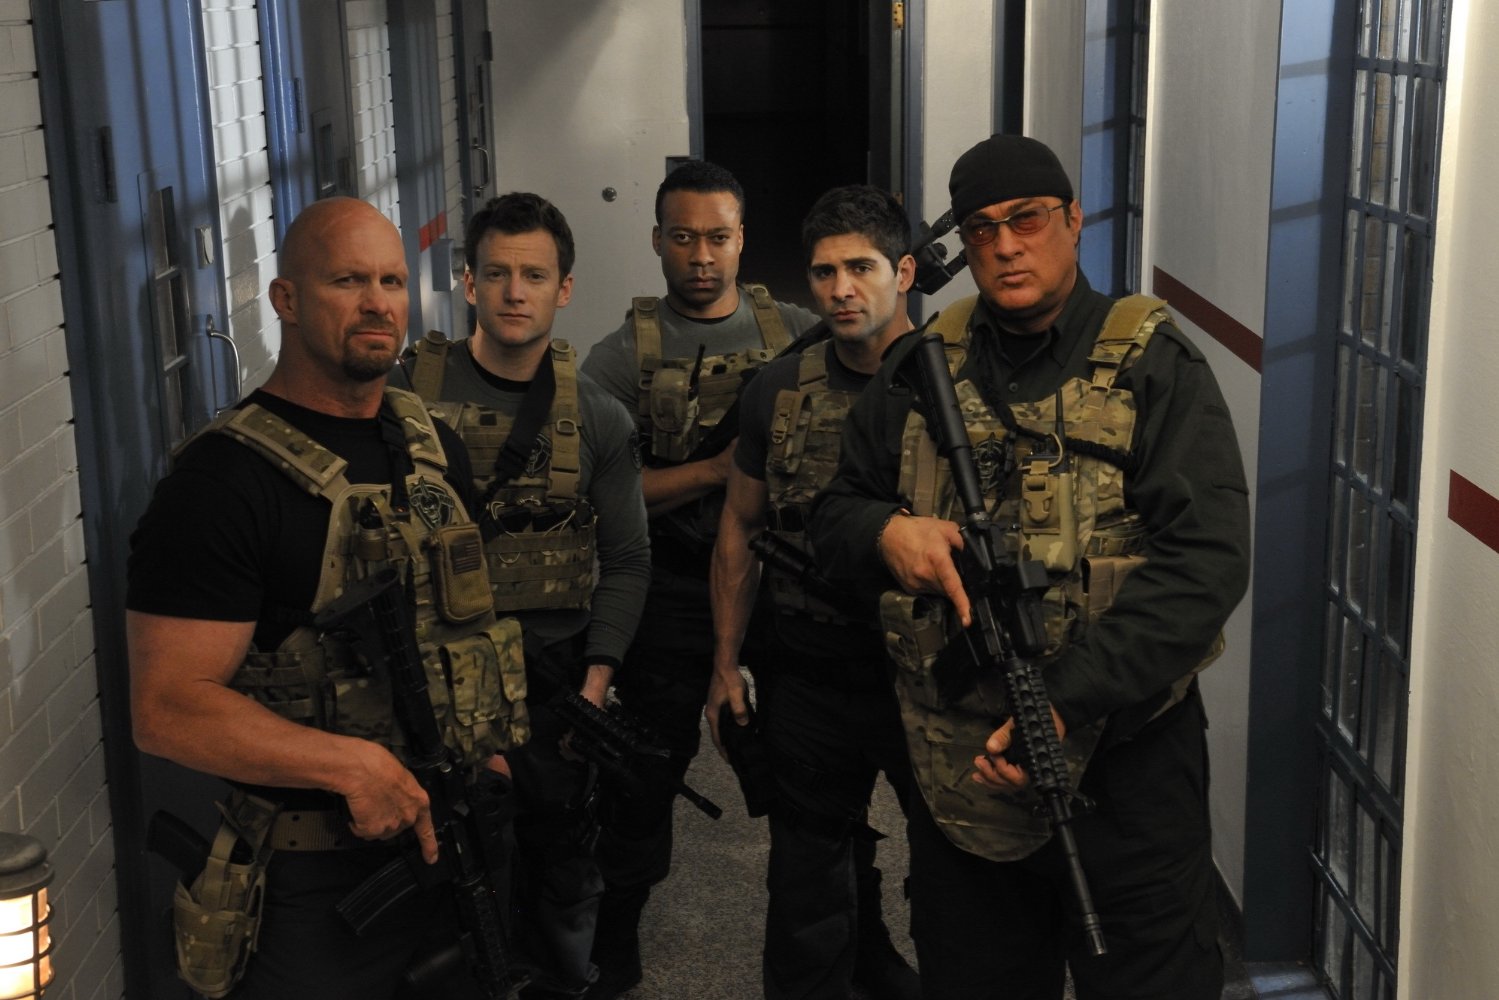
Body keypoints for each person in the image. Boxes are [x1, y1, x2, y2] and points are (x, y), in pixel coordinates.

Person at [809, 135, 1251, 1000]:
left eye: (1028, 220)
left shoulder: (1153, 365)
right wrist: (885, 534)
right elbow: (829, 518)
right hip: (959, 769)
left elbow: (1206, 561)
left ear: (1073, 220)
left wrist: (1062, 698)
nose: (1006, 246)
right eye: (982, 229)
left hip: (1128, 766)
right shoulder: (920, 366)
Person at [127, 197, 528, 999]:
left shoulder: (432, 446)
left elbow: (461, 627)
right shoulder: (221, 483)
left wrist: (487, 754)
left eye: (391, 281)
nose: (377, 303)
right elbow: (166, 708)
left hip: (453, 840)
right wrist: (350, 765)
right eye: (347, 281)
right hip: (311, 882)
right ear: (286, 299)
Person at [395, 192, 650, 999]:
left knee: (557, 875)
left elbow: (626, 560)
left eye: (533, 276)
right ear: (468, 282)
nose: (514, 292)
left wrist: (595, 685)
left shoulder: (597, 416)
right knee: (435, 883)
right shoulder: (401, 400)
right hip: (429, 690)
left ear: (562, 289)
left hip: (550, 687)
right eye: (497, 274)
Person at [578, 160, 819, 997]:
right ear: (657, 241)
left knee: (814, 763)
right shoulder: (620, 358)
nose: (702, 256)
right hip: (672, 588)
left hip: (782, 580)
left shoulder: (795, 333)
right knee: (643, 771)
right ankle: (614, 937)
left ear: (742, 238)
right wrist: (715, 471)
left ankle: (837, 939)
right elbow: (602, 491)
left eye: (718, 237)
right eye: (683, 237)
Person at [707, 185, 922, 1000]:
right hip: (807, 670)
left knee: (952, 869)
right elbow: (739, 525)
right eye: (824, 272)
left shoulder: (951, 386)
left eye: (861, 268)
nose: (840, 290)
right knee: (805, 874)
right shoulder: (779, 389)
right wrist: (725, 664)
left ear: (903, 272)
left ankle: (881, 960)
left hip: (922, 674)